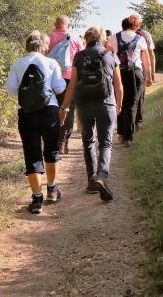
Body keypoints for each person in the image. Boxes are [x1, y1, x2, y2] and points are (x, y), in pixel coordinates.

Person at [6, 31, 66, 214]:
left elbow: (11, 89)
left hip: (27, 113)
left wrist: (28, 96)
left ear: (27, 45)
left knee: (32, 155)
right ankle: (53, 190)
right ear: (44, 46)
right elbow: (60, 87)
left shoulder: (18, 63)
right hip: (49, 111)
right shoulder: (51, 63)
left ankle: (37, 199)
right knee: (51, 150)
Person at [60, 26, 123, 201]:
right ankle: (102, 176)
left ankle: (90, 181)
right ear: (102, 38)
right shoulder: (110, 55)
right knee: (105, 143)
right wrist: (119, 105)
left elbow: (72, 85)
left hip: (84, 104)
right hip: (106, 103)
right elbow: (118, 85)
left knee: (88, 141)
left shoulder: (79, 56)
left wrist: (64, 107)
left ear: (86, 39)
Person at [107, 17, 152, 146]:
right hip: (135, 73)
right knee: (132, 104)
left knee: (119, 101)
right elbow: (146, 61)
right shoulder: (140, 39)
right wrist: (148, 77)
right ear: (135, 26)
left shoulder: (114, 37)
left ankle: (120, 133)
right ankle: (128, 137)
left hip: (118, 73)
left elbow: (108, 57)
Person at [48, 15, 83, 154]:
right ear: (68, 25)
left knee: (53, 108)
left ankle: (53, 139)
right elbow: (81, 57)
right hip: (70, 78)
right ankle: (63, 142)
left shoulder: (49, 37)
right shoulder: (75, 38)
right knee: (69, 109)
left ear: (56, 24)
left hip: (52, 78)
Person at [129, 14, 156, 131]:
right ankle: (138, 122)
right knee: (140, 96)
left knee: (128, 96)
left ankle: (129, 123)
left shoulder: (122, 34)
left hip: (126, 69)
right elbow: (151, 54)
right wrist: (152, 73)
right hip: (142, 69)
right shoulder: (145, 34)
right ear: (139, 23)